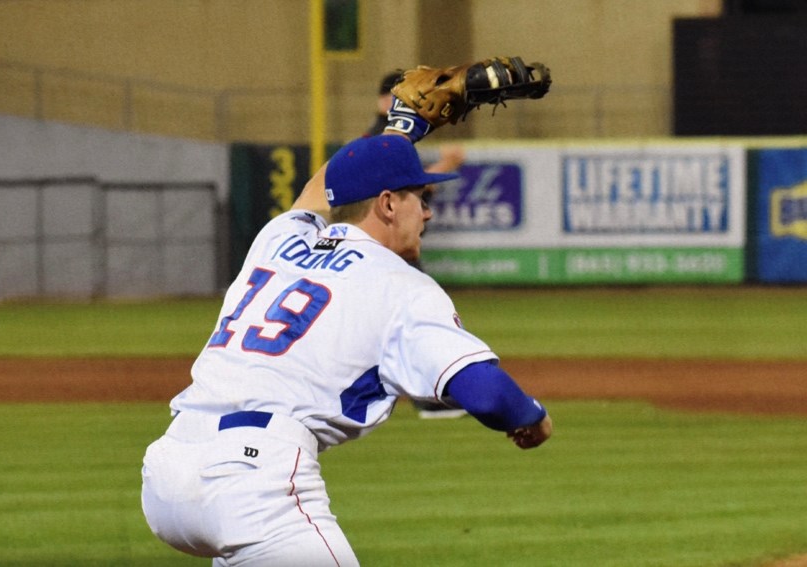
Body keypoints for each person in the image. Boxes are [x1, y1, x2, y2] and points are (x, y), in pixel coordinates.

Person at [141, 121, 552, 565]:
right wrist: (533, 418)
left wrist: (400, 125)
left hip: (168, 471)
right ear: (389, 204)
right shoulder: (401, 285)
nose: (428, 212)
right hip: (254, 482)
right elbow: (487, 394)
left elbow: (320, 189)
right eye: (420, 196)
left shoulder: (278, 239)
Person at [369, 71, 469, 419]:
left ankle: (425, 393)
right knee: (418, 309)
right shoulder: (377, 140)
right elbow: (404, 189)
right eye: (397, 97)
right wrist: (448, 164)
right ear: (384, 102)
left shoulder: (387, 141)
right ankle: (430, 396)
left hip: (383, 242)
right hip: (382, 242)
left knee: (404, 314)